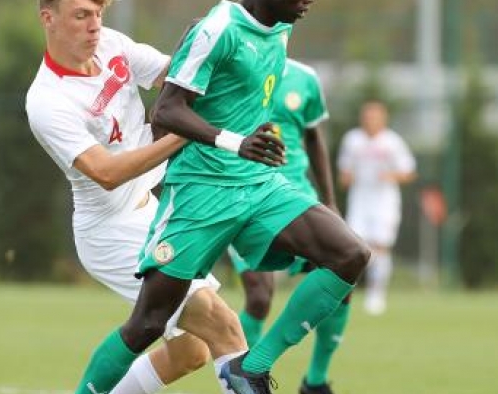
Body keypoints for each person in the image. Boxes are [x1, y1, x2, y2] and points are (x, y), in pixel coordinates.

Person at [72, 0, 371, 393]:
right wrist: (235, 142)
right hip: (201, 192)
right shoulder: (220, 29)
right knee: (148, 323)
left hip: (259, 185)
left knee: (350, 254)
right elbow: (165, 111)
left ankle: (253, 369)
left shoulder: (279, 24)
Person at [25, 1, 248, 394]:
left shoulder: (112, 44)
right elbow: (107, 174)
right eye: (81, 15)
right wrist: (191, 132)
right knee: (222, 324)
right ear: (48, 18)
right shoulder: (47, 100)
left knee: (190, 352)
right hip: (110, 231)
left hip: (151, 211)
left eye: (99, 13)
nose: (95, 26)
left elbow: (178, 79)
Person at [227, 58, 350, 394]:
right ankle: (243, 379)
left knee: (346, 269)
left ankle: (316, 381)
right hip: (246, 198)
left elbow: (314, 138)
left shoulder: (305, 78)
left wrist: (329, 200)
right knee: (259, 296)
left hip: (298, 198)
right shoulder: (232, 68)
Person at [337, 100, 417, 315]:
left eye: (374, 117)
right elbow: (344, 173)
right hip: (359, 201)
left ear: (383, 119)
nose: (370, 121)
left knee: (381, 246)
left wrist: (390, 175)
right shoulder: (352, 140)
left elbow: (409, 171)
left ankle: (376, 293)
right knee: (355, 248)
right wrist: (347, 177)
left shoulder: (392, 142)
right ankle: (346, 293)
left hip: (385, 202)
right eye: (367, 116)